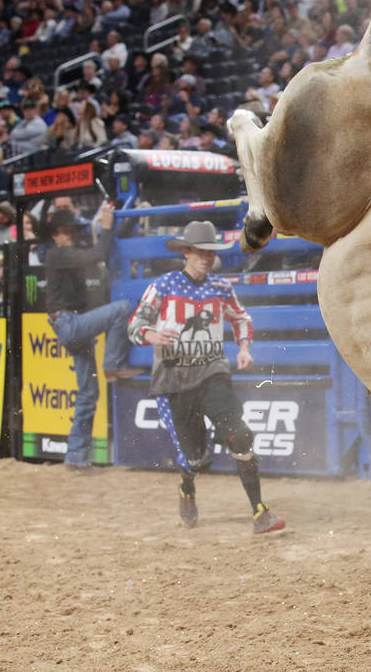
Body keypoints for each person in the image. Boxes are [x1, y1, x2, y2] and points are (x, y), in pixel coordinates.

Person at [127, 221, 286, 535]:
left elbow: (241, 318)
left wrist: (244, 348)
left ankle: (260, 512)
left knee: (240, 435)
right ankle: (187, 486)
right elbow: (135, 325)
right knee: (196, 459)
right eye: (200, 252)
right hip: (174, 379)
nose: (206, 258)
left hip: (213, 372)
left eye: (210, 252)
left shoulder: (221, 289)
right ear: (186, 252)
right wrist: (152, 335)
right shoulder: (164, 285)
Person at [44, 204, 141, 472]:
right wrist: (108, 226)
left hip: (71, 323)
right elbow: (98, 253)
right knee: (123, 308)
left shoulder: (64, 254)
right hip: (71, 322)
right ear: (55, 235)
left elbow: (102, 249)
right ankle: (113, 364)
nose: (69, 235)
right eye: (64, 231)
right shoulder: (58, 254)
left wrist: (123, 223)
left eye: (71, 231)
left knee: (88, 393)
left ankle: (75, 457)